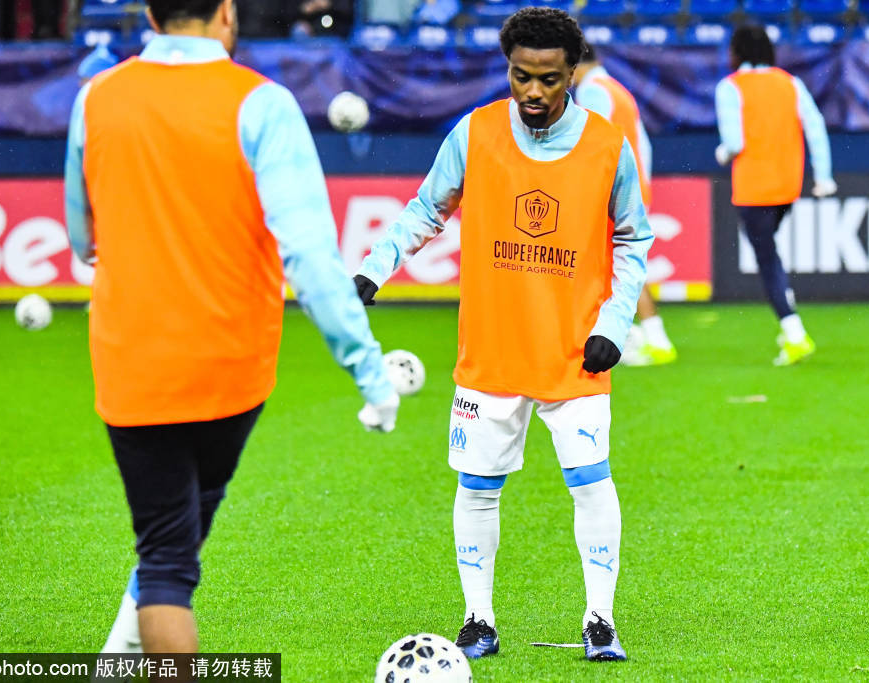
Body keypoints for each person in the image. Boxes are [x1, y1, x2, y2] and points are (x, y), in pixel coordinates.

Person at [64, 0, 399, 654]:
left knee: (165, 552)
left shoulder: (96, 97)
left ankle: (122, 654)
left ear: (150, 15)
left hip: (131, 366)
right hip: (228, 370)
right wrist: (368, 370)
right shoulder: (263, 104)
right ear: (225, 12)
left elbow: (83, 239)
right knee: (171, 556)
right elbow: (309, 258)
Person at [353, 7, 653, 663]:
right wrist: (375, 267)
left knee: (591, 481)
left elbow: (634, 240)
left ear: (572, 74)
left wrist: (614, 322)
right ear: (508, 69)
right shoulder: (475, 132)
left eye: (549, 78)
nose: (534, 91)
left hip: (575, 353)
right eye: (522, 76)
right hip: (491, 350)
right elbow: (427, 208)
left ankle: (600, 618)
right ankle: (478, 619)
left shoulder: (608, 146)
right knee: (478, 487)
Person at [714, 24, 836, 366]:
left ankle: (794, 332)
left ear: (736, 52)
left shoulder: (730, 87)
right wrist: (823, 176)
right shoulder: (790, 83)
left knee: (767, 260)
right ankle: (789, 315)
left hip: (754, 187)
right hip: (787, 185)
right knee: (771, 254)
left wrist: (722, 154)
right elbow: (815, 126)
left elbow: (734, 142)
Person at [572, 42, 676, 367]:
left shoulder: (591, 91)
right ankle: (642, 336)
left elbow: (592, 145)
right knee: (618, 265)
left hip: (610, 192)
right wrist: (642, 188)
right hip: (631, 189)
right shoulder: (618, 91)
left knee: (614, 267)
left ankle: (649, 338)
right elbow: (643, 145)